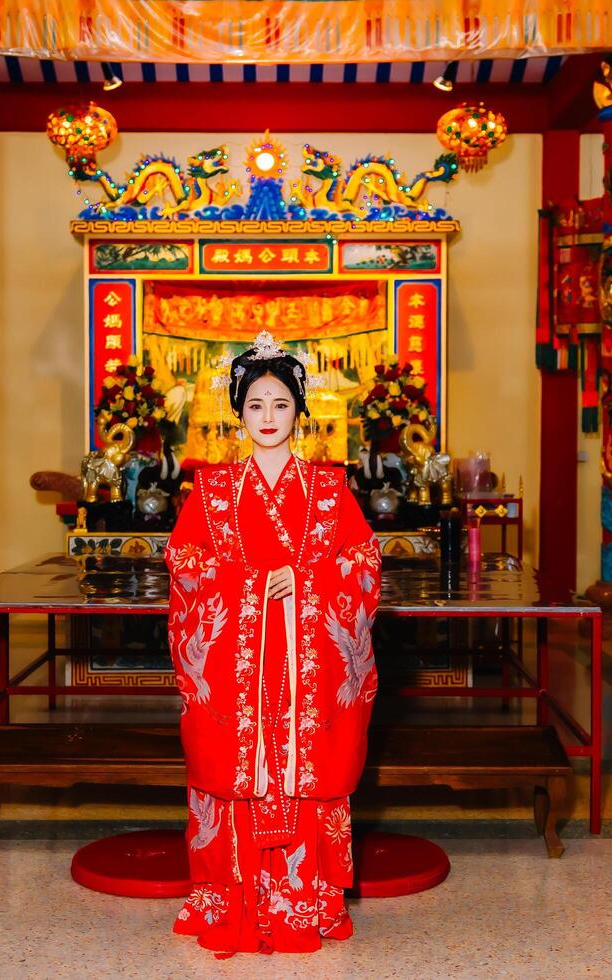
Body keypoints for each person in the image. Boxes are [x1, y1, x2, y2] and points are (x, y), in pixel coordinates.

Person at [164, 331, 382, 956]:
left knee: (305, 775)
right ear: (238, 413)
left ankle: (303, 902)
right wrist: (256, 585)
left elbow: (364, 563)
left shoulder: (328, 489)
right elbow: (184, 565)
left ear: (299, 411)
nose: (267, 417)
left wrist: (307, 579)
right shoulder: (209, 493)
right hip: (237, 673)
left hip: (304, 674)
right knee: (231, 776)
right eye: (256, 404)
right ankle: (228, 900)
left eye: (280, 404)